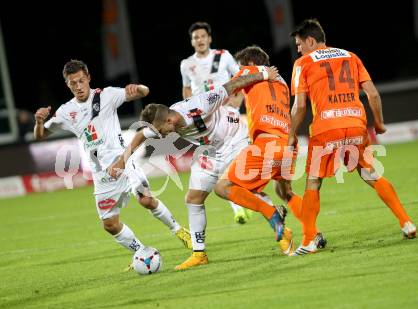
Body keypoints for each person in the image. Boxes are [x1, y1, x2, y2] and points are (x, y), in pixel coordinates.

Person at [108, 66, 282, 270]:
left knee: (230, 187)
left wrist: (264, 75)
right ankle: (199, 254)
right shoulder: (163, 122)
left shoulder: (203, 103)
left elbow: (233, 84)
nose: (161, 136)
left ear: (170, 120)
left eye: (161, 131)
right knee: (193, 198)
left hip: (235, 140)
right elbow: (140, 136)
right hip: (211, 150)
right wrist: (122, 160)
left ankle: (271, 209)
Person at [33, 60, 192, 269]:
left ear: (88, 77)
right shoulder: (66, 112)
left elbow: (144, 92)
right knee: (109, 224)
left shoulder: (107, 95)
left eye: (81, 81)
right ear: (67, 85)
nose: (78, 86)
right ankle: (141, 253)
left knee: (145, 200)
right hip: (101, 174)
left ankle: (181, 232)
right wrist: (38, 122)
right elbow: (40, 136)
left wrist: (138, 88)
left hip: (123, 161)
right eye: (73, 83)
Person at [288, 19, 416, 255]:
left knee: (313, 181)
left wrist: (291, 135)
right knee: (370, 173)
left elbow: (299, 107)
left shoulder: (302, 63)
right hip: (356, 125)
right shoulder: (351, 56)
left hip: (327, 128)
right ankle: (406, 222)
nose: (297, 49)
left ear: (310, 41)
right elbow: (372, 94)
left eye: (298, 44)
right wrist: (378, 123)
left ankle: (308, 241)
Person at [213, 46, 326, 257]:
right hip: (286, 145)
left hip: (265, 146)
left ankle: (272, 213)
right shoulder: (280, 80)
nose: (239, 70)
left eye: (241, 66)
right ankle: (314, 233)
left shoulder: (251, 72)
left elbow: (229, 87)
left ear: (250, 64)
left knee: (223, 187)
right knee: (285, 192)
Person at [180, 21, 251, 224]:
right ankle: (239, 203)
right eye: (195, 37)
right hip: (204, 122)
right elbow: (186, 91)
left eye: (202, 36)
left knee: (232, 157)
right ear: (192, 41)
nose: (199, 40)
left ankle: (244, 199)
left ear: (209, 38)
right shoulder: (186, 64)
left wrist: (236, 104)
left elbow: (240, 77)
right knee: (219, 161)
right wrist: (190, 115)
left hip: (227, 114)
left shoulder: (223, 55)